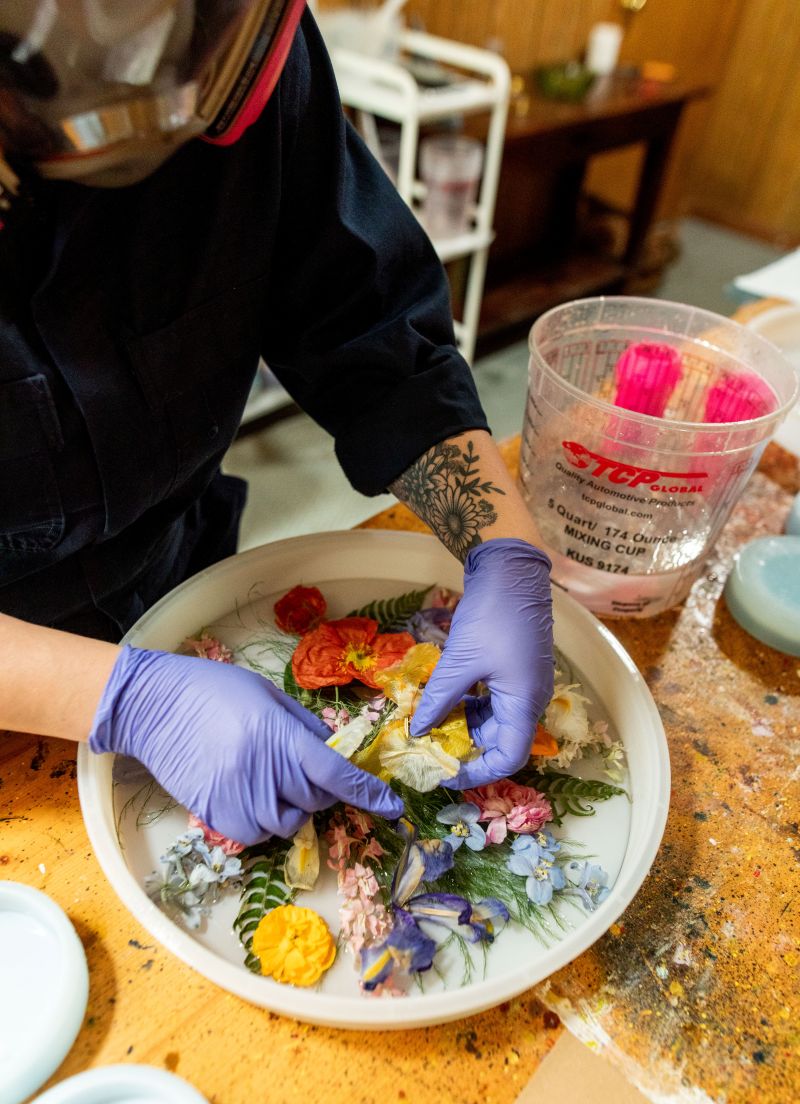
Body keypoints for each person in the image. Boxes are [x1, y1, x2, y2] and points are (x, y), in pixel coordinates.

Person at [0, 0, 554, 846]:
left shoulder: (246, 43)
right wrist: (120, 698)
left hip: (181, 578)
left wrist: (502, 547)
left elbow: (367, 324)